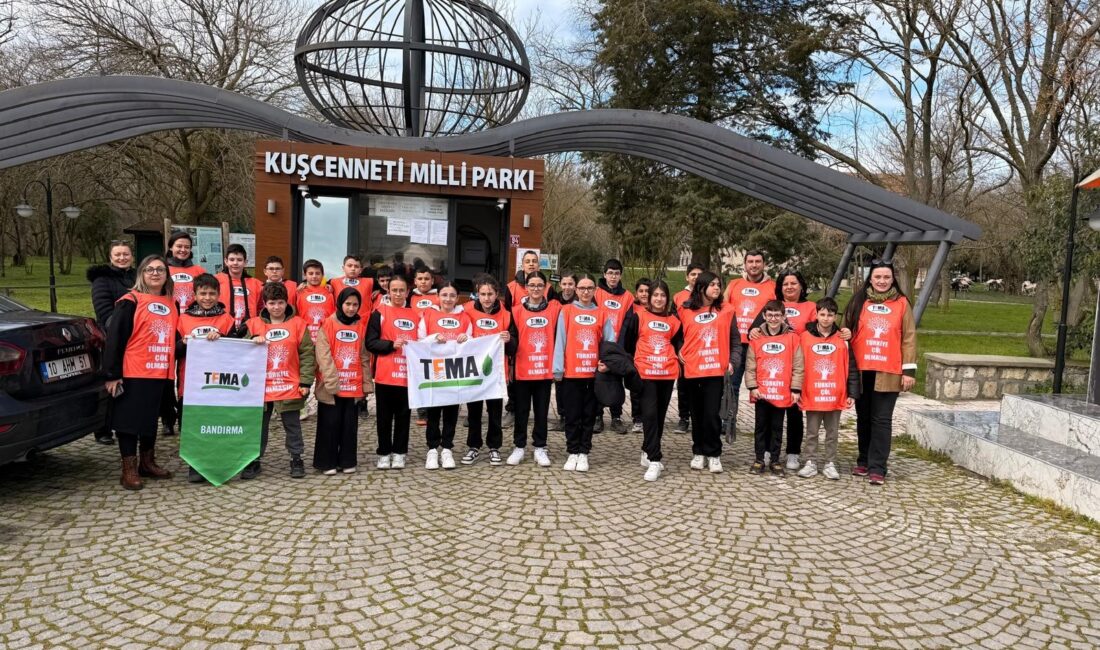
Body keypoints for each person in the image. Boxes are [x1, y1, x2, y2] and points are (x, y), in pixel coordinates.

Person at [102, 255, 179, 490]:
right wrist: (112, 374)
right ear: (141, 274)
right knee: (128, 422)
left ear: (167, 275)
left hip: (161, 373)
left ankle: (147, 462)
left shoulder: (171, 302)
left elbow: (175, 339)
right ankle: (129, 469)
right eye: (149, 270)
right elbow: (115, 338)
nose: (155, 273)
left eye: (160, 270)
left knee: (149, 421)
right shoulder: (130, 300)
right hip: (134, 371)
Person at [844, 259, 917, 485]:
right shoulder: (858, 301)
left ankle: (878, 467)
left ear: (892, 278)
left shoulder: (902, 304)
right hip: (862, 370)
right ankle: (864, 460)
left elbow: (909, 337)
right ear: (870, 278)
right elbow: (845, 329)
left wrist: (909, 371)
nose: (882, 281)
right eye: (878, 277)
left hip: (889, 370)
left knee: (882, 420)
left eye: (886, 277)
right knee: (863, 418)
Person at [747, 270, 816, 470]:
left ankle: (793, 452)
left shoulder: (810, 307)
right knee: (767, 419)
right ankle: (766, 453)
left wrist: (842, 332)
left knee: (794, 414)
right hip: (770, 375)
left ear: (801, 285)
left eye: (794, 283)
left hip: (797, 368)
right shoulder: (771, 307)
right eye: (785, 283)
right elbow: (755, 330)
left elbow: (823, 327)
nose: (790, 287)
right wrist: (753, 330)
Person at [246, 282, 315, 479]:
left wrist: (305, 382)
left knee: (292, 425)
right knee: (259, 425)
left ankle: (296, 458)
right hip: (262, 388)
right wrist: (252, 342)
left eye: (280, 303)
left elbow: (307, 355)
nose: (276, 307)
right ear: (264, 304)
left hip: (289, 386)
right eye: (272, 303)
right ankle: (253, 459)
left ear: (287, 303)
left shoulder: (299, 325)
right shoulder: (253, 325)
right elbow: (239, 351)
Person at [175, 273, 239, 483]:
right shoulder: (182, 319)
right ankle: (195, 464)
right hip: (190, 383)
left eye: (212, 293)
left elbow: (237, 351)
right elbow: (173, 351)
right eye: (203, 293)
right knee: (192, 424)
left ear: (219, 294)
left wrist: (223, 339)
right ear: (194, 294)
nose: (207, 297)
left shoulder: (226, 319)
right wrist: (184, 343)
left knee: (216, 423)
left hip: (218, 383)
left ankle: (216, 462)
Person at [553, 274, 617, 472]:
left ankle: (584, 452)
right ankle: (572, 451)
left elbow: (609, 343)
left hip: (593, 375)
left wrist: (607, 364)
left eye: (589, 288)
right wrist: (558, 369)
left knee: (589, 415)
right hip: (571, 373)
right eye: (582, 288)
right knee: (572, 415)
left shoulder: (603, 314)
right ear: (576, 290)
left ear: (595, 290)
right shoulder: (566, 311)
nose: (585, 292)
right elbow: (560, 341)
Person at [620, 280, 682, 481]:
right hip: (645, 374)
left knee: (660, 416)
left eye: (662, 295)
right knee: (649, 414)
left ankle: (647, 450)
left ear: (667, 298)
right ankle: (655, 460)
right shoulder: (638, 316)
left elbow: (677, 344)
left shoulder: (674, 320)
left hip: (666, 374)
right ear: (648, 297)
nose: (658, 299)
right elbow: (627, 343)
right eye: (655, 295)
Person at [677, 271, 738, 473]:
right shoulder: (685, 310)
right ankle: (698, 452)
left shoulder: (727, 310)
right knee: (696, 414)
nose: (716, 288)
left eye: (718, 285)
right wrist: (678, 350)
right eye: (712, 284)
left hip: (715, 371)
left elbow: (735, 341)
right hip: (693, 370)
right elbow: (675, 335)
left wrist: (733, 361)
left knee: (712, 414)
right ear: (701, 287)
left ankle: (714, 453)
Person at [797, 297, 859, 480]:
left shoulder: (843, 339)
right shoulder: (804, 338)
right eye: (822, 314)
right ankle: (810, 462)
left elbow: (852, 367)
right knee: (812, 432)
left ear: (835, 317)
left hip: (834, 394)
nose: (825, 318)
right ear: (816, 314)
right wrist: (796, 389)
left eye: (830, 315)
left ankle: (830, 463)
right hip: (812, 393)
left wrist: (852, 393)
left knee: (832, 432)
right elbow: (798, 365)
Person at [314, 288, 371, 474]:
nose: (351, 308)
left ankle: (347, 461)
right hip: (332, 385)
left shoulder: (360, 326)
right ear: (340, 304)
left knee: (349, 426)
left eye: (355, 304)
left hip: (353, 384)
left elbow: (363, 357)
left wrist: (366, 384)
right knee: (329, 424)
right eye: (348, 304)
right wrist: (332, 380)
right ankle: (327, 462)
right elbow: (323, 354)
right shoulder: (328, 324)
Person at [745, 300, 804, 476]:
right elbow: (750, 365)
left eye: (777, 315)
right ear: (764, 316)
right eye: (769, 315)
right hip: (762, 392)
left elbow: (798, 365)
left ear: (784, 316)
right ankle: (759, 459)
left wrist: (795, 389)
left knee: (777, 427)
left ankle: (776, 460)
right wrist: (752, 386)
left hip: (781, 392)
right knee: (761, 426)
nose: (773, 318)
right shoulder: (756, 338)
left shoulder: (793, 338)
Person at [460, 275, 515, 466]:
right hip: (473, 371)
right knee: (473, 411)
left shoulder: (506, 315)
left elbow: (514, 346)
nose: (486, 298)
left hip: (496, 372)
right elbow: (459, 335)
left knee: (494, 411)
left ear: (497, 294)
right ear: (476, 294)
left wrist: (508, 340)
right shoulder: (466, 311)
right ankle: (473, 446)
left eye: (490, 294)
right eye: (482, 294)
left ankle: (494, 447)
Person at [507, 271, 560, 467]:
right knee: (521, 411)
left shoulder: (555, 309)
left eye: (540, 285)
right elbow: (512, 339)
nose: (536, 288)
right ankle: (519, 447)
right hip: (522, 369)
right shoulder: (515, 310)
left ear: (545, 287)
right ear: (526, 287)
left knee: (541, 410)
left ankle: (540, 447)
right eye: (532, 285)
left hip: (544, 370)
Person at [365, 276, 418, 469]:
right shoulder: (379, 312)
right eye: (394, 290)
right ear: (388, 291)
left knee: (404, 416)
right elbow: (370, 342)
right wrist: (390, 345)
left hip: (407, 374)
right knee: (384, 417)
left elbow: (422, 342)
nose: (397, 294)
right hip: (385, 375)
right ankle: (384, 452)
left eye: (401, 290)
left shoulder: (415, 315)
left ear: (407, 291)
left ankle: (400, 453)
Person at [417, 281, 471, 470]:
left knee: (451, 412)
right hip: (434, 371)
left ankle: (447, 448)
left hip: (454, 372)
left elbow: (471, 346)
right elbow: (420, 340)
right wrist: (433, 338)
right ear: (438, 296)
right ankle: (432, 449)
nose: (448, 299)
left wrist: (467, 339)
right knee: (433, 411)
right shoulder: (428, 314)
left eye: (452, 295)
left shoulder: (465, 317)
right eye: (444, 295)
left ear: (457, 298)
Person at [87, 240, 135, 445]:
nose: (122, 258)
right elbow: (104, 312)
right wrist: (121, 330)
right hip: (112, 338)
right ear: (110, 257)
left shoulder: (136, 277)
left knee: (130, 384)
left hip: (136, 338)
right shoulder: (102, 280)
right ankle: (103, 429)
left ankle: (127, 423)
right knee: (111, 383)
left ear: (132, 256)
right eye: (118, 254)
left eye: (126, 254)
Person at [723, 250, 776, 438]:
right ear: (745, 264)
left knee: (763, 386)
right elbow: (723, 309)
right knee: (732, 386)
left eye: (758, 261)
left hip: (760, 346)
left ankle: (765, 428)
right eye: (751, 261)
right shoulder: (734, 284)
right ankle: (728, 422)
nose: (754, 265)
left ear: (764, 264)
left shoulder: (773, 287)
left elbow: (777, 315)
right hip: (737, 345)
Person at [594, 259, 634, 433]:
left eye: (616, 273)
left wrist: (619, 349)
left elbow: (627, 324)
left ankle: (616, 417)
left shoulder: (628, 297)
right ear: (604, 274)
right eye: (610, 273)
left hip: (617, 347)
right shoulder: (596, 293)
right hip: (597, 345)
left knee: (616, 381)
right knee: (598, 380)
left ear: (620, 276)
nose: (613, 276)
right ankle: (597, 416)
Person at [672, 264, 704, 435]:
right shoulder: (678, 297)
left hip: (704, 347)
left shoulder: (709, 296)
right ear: (687, 277)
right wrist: (678, 348)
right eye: (693, 274)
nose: (696, 277)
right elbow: (674, 325)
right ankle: (684, 418)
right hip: (684, 347)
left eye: (699, 274)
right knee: (684, 384)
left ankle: (701, 417)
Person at [549, 272, 578, 431]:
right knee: (560, 384)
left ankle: (574, 415)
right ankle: (562, 416)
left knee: (572, 385)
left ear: (575, 286)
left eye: (571, 284)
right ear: (560, 285)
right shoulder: (553, 302)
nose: (567, 288)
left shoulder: (580, 302)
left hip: (574, 349)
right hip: (556, 347)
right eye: (565, 284)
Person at [626, 277, 652, 433]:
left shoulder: (658, 308)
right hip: (636, 355)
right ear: (636, 293)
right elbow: (629, 334)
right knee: (636, 389)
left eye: (647, 291)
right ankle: (637, 419)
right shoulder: (632, 309)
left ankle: (649, 417)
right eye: (641, 291)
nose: (644, 294)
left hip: (653, 355)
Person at [217, 243, 264, 328]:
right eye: (232, 259)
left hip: (249, 331)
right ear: (226, 261)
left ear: (245, 262)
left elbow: (262, 309)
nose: (235, 263)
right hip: (222, 329)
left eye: (239, 260)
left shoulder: (257, 284)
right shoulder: (216, 281)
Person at [165, 231, 207, 312]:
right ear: (171, 247)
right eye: (179, 246)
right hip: (170, 315)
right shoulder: (163, 269)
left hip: (194, 316)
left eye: (187, 247)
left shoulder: (199, 271)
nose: (183, 250)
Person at [295, 259, 335, 340]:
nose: (314, 276)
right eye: (310, 273)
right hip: (305, 336)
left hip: (325, 335)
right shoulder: (298, 292)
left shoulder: (330, 292)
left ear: (323, 275)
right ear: (304, 275)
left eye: (317, 273)